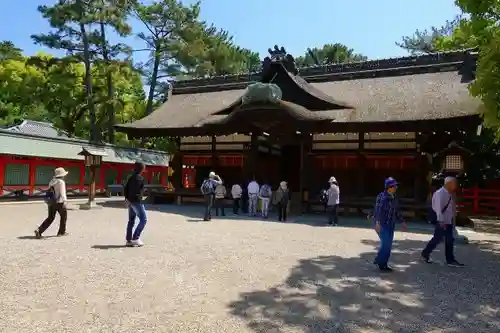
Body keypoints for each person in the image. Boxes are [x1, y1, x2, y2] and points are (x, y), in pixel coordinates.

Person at [421, 177, 464, 267]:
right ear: (449, 183)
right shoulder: (439, 193)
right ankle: (425, 253)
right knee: (437, 239)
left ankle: (450, 260)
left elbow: (451, 207)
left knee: (449, 240)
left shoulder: (450, 194)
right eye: (454, 183)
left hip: (448, 220)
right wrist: (440, 221)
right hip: (440, 220)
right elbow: (438, 209)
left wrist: (453, 217)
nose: (455, 185)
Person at [373, 177, 407, 272]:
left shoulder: (394, 197)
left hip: (390, 224)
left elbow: (397, 211)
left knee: (388, 245)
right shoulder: (382, 197)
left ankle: (384, 263)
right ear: (389, 187)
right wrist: (377, 223)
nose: (396, 187)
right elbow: (378, 210)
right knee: (385, 244)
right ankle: (380, 261)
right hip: (382, 224)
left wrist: (402, 221)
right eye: (394, 186)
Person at [35, 167, 69, 238]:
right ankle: (61, 232)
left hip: (51, 202)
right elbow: (62, 193)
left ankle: (39, 230)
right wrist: (65, 201)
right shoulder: (61, 182)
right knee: (64, 216)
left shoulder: (52, 181)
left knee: (50, 217)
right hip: (59, 202)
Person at [124, 162, 148, 247]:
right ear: (142, 169)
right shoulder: (140, 178)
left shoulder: (131, 177)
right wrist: (139, 197)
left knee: (131, 221)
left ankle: (129, 240)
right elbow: (137, 191)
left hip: (130, 201)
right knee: (144, 219)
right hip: (136, 201)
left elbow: (126, 188)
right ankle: (135, 238)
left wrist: (126, 199)